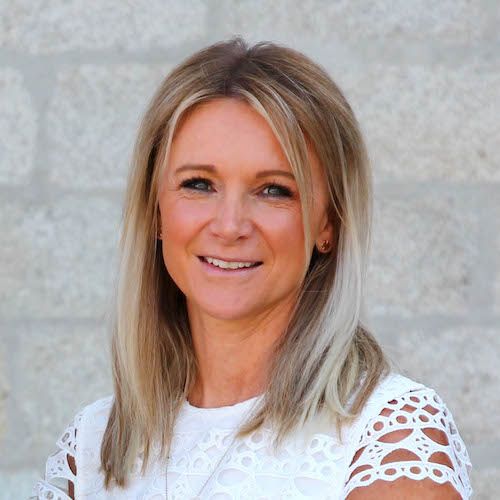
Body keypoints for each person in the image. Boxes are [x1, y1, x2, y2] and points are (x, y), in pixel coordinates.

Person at [32, 37, 473, 499]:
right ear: (155, 209)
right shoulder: (92, 447)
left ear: (329, 223)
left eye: (274, 190)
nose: (229, 226)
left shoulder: (390, 438)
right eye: (198, 184)